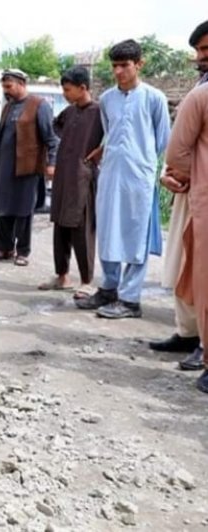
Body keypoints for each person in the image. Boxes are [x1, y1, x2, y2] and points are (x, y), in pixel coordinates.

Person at [75, 39, 170, 319]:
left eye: (124, 65)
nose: (118, 72)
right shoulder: (106, 99)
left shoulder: (154, 98)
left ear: (139, 64)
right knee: (108, 231)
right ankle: (109, 288)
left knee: (135, 235)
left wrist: (145, 164)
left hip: (139, 177)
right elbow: (110, 132)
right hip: (111, 173)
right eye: (114, 66)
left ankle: (130, 300)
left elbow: (162, 139)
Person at [150, 20, 208, 368]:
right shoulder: (200, 89)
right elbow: (180, 148)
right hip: (192, 191)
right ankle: (189, 335)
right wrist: (173, 175)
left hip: (197, 188)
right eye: (200, 51)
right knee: (185, 264)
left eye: (207, 50)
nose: (202, 57)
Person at [38, 66, 103, 298]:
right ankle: (62, 275)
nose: (64, 94)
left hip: (83, 177)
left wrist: (99, 151)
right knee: (61, 226)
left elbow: (113, 136)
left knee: (81, 227)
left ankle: (86, 280)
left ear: (82, 88)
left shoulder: (99, 112)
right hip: (64, 175)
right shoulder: (69, 112)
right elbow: (56, 127)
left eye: (67, 89)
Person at [0, 69, 58, 267]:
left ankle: (23, 251)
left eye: (9, 86)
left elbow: (51, 139)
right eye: (4, 87)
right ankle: (5, 249)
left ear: (21, 84)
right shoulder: (8, 107)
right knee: (3, 209)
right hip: (5, 167)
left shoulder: (39, 105)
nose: (6, 90)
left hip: (27, 168)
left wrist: (51, 164)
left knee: (24, 210)